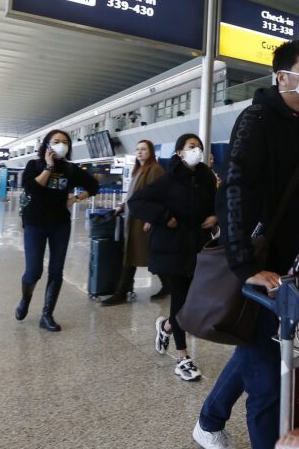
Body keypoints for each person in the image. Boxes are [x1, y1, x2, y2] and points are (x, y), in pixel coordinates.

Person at [192, 40, 299, 449]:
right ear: (282, 76)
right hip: (259, 265)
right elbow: (235, 188)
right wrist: (243, 264)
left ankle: (208, 422)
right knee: (267, 382)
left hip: (294, 264)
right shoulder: (255, 120)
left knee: (257, 348)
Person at [127, 134, 217, 381]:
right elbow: (136, 202)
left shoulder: (207, 178)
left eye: (199, 147)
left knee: (192, 303)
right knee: (180, 301)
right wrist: (163, 216)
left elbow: (217, 202)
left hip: (198, 246)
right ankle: (182, 357)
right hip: (172, 248)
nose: (196, 150)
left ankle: (166, 326)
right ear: (179, 153)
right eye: (191, 147)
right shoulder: (168, 180)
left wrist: (215, 215)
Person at [15, 130, 100, 332]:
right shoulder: (33, 166)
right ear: (46, 145)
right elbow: (32, 189)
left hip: (60, 223)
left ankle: (47, 314)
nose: (61, 145)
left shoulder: (71, 170)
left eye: (65, 142)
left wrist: (76, 198)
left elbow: (94, 185)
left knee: (56, 270)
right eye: (56, 141)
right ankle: (25, 300)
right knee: (33, 271)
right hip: (34, 222)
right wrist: (48, 167)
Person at [100, 140, 166, 306]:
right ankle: (168, 285)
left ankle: (121, 293)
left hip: (142, 220)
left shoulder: (155, 169)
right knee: (139, 255)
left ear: (151, 151)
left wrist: (151, 218)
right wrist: (121, 206)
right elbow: (133, 195)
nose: (140, 152)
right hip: (133, 219)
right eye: (137, 149)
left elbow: (158, 195)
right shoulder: (138, 170)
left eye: (143, 149)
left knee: (139, 256)